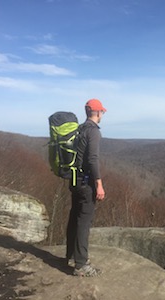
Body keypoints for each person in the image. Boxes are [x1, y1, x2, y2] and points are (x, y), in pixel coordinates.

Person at [66, 98, 106, 277]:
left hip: (75, 180)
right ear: (97, 112)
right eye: (102, 112)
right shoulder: (93, 132)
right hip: (86, 182)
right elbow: (92, 160)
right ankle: (81, 264)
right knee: (84, 221)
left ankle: (70, 256)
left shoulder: (80, 129)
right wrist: (99, 184)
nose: (102, 114)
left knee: (74, 217)